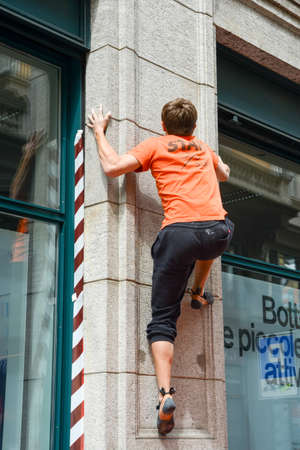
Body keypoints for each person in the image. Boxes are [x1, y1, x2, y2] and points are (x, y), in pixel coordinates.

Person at [87, 98, 233, 435]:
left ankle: (165, 395)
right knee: (210, 240)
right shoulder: (203, 147)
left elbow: (112, 167)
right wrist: (213, 159)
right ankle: (196, 291)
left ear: (164, 125)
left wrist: (98, 132)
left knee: (163, 319)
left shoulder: (155, 145)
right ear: (193, 127)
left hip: (178, 233)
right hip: (218, 230)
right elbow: (224, 174)